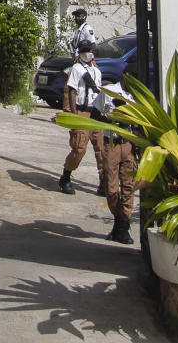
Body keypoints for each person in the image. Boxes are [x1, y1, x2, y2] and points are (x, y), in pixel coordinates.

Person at [92, 78, 137, 244]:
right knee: (110, 188)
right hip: (111, 143)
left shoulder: (136, 96)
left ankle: (123, 227)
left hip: (128, 144)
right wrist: (113, 119)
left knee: (128, 186)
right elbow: (95, 114)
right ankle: (118, 220)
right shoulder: (109, 91)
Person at [58, 40, 105, 195]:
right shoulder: (76, 69)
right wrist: (74, 115)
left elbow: (98, 91)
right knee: (79, 148)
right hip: (81, 111)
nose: (87, 53)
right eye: (84, 50)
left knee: (101, 149)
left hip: (95, 112)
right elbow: (71, 91)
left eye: (89, 50)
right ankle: (66, 176)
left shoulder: (97, 71)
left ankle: (103, 181)